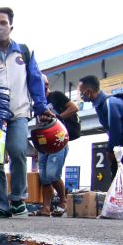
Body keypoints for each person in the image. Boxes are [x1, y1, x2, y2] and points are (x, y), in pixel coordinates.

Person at [0, 7, 51, 218]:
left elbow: (35, 80)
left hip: (18, 112)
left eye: (2, 23)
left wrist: (41, 107)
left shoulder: (23, 52)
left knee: (17, 151)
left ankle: (17, 199)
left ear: (11, 26)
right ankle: (0, 204)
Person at [78, 75, 123, 191]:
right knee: (117, 178)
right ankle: (120, 208)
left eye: (81, 92)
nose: (81, 95)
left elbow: (115, 128)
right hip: (121, 146)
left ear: (88, 91)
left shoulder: (110, 103)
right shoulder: (100, 105)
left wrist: (110, 151)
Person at [40, 79, 78, 216]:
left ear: (46, 85)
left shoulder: (56, 96)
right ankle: (46, 207)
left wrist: (57, 118)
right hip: (45, 140)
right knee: (44, 176)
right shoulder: (38, 103)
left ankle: (63, 200)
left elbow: (74, 107)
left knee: (52, 174)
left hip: (59, 138)